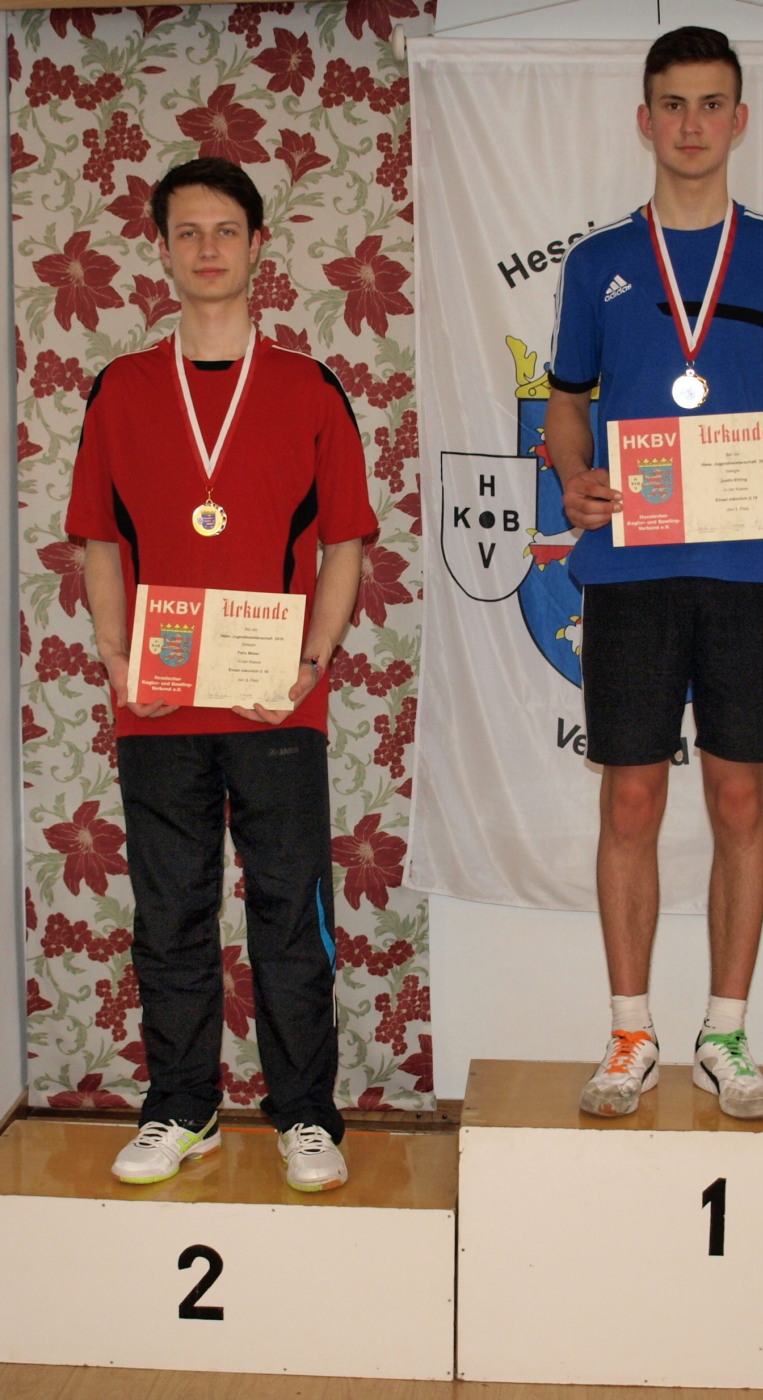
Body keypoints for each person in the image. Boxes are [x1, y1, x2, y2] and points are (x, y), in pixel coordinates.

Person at [66, 158, 378, 1191]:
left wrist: (310, 665)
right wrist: (118, 662)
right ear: (160, 249)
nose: (208, 248)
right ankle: (182, 1106)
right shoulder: (121, 388)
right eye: (188, 231)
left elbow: (344, 544)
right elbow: (100, 542)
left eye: (226, 230)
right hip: (158, 708)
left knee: (291, 913)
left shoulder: (308, 386)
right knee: (171, 915)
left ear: (258, 246)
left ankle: (306, 1116)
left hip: (276, 703)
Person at [544, 27, 763, 1120]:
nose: (692, 124)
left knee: (740, 793)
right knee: (629, 796)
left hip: (750, 563)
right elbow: (566, 402)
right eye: (673, 103)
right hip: (631, 566)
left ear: (739, 120)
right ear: (644, 120)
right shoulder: (596, 264)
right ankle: (630, 1031)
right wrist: (572, 477)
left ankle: (724, 1033)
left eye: (712, 104)